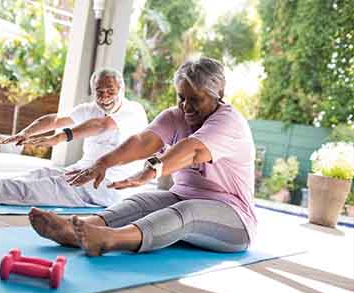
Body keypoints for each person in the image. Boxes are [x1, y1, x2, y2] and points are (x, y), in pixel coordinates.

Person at [29, 57, 257, 256]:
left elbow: (193, 150)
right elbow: (143, 142)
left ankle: (110, 240)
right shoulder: (176, 116)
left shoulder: (229, 122)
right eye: (181, 97)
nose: (186, 106)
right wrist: (102, 163)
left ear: (219, 94)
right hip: (183, 196)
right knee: (140, 201)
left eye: (195, 99)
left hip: (234, 219)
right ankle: (74, 230)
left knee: (186, 213)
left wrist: (151, 171)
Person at [0, 68, 148, 207]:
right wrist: (26, 132)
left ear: (122, 90)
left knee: (53, 186)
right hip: (83, 170)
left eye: (110, 91)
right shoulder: (90, 109)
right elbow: (54, 120)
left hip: (110, 185)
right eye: (99, 92)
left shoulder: (133, 110)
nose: (104, 97)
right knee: (42, 174)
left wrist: (60, 138)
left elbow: (101, 125)